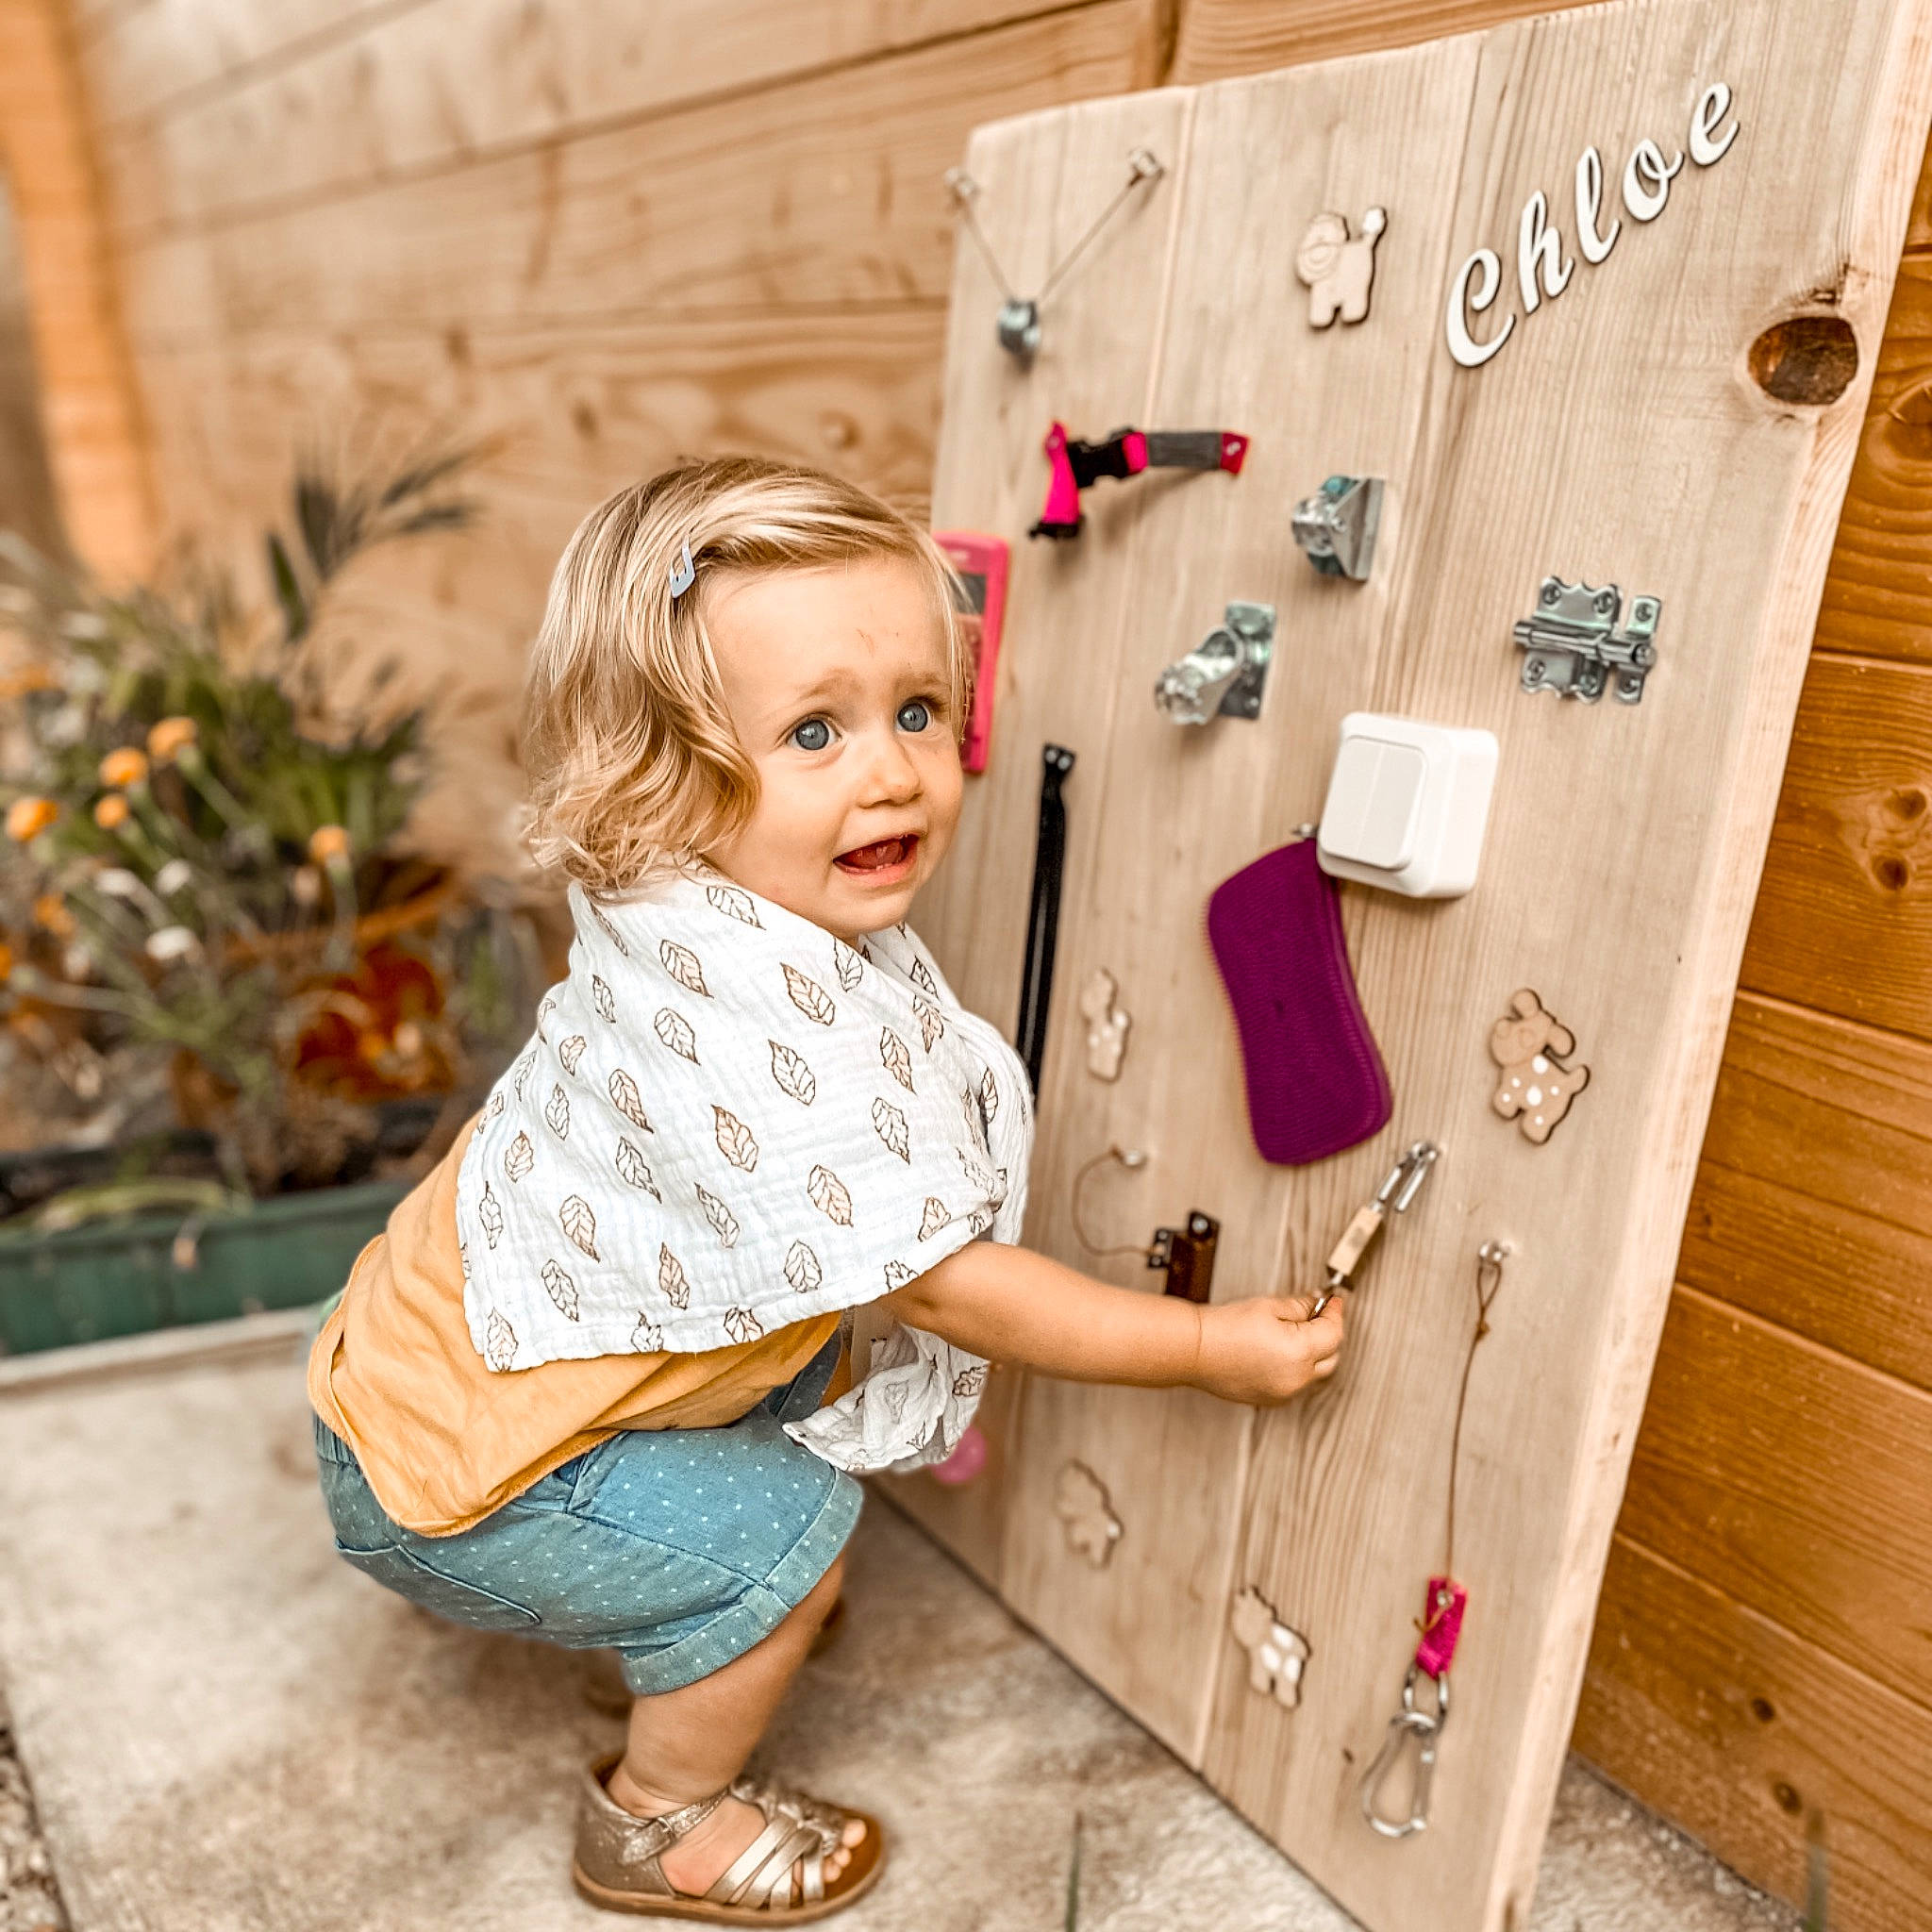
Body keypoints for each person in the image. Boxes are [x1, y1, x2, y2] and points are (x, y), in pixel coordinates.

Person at [308, 455, 1345, 1924]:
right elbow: (943, 1282)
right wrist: (1202, 1347)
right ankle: (660, 1817)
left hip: (418, 1362)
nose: (893, 771)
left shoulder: (685, 912)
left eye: (917, 711)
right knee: (796, 1539)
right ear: (667, 778)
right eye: (815, 730)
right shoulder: (753, 1048)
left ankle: (680, 1599)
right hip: (455, 1477)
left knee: (781, 1415)